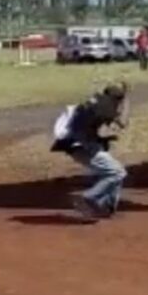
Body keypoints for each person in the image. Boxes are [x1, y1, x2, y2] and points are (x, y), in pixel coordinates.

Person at [51, 82, 130, 220]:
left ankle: (106, 207)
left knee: (113, 173)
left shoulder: (97, 100)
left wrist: (100, 140)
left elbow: (85, 124)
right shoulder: (107, 107)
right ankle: (88, 197)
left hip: (74, 142)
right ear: (118, 98)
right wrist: (126, 101)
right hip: (80, 145)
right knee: (118, 172)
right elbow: (123, 122)